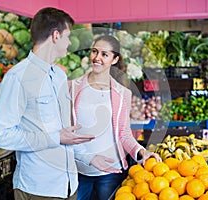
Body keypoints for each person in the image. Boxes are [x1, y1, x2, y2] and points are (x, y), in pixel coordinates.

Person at [0, 7, 95, 200]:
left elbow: (64, 131)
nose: (69, 42)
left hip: (69, 186)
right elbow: (3, 136)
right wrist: (55, 137)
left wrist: (90, 158)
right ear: (55, 36)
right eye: (67, 36)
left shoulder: (58, 76)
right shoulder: (17, 77)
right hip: (38, 189)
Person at [69, 35, 162, 200]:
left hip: (110, 172)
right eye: (94, 52)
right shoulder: (72, 87)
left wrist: (141, 151)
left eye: (104, 54)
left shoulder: (122, 93)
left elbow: (124, 133)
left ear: (114, 59)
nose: (97, 58)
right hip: (78, 169)